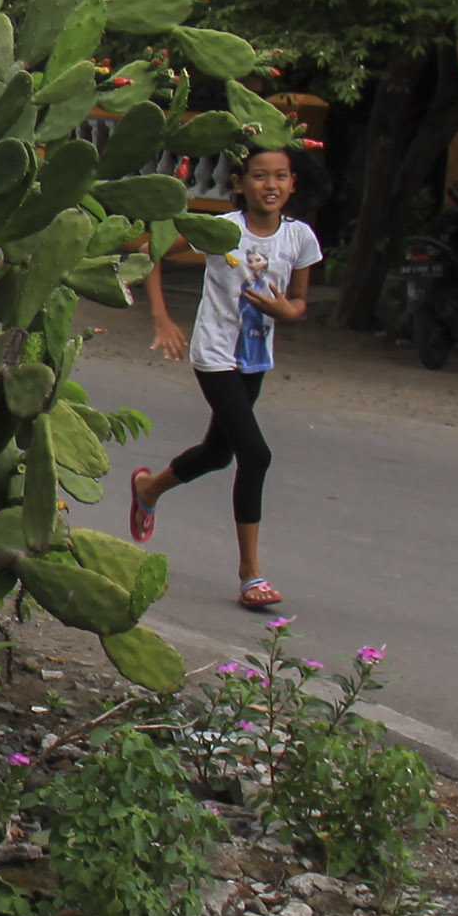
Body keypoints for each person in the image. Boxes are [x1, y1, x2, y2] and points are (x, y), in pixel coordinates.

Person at [129, 144, 322, 611]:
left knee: (219, 453)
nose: (270, 185)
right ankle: (250, 575)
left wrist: (285, 312)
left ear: (293, 183)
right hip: (214, 356)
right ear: (239, 183)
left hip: (254, 358)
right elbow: (150, 252)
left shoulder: (300, 238)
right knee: (255, 455)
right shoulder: (221, 230)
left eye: (280, 176)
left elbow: (299, 301)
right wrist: (161, 316)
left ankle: (149, 488)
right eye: (259, 176)